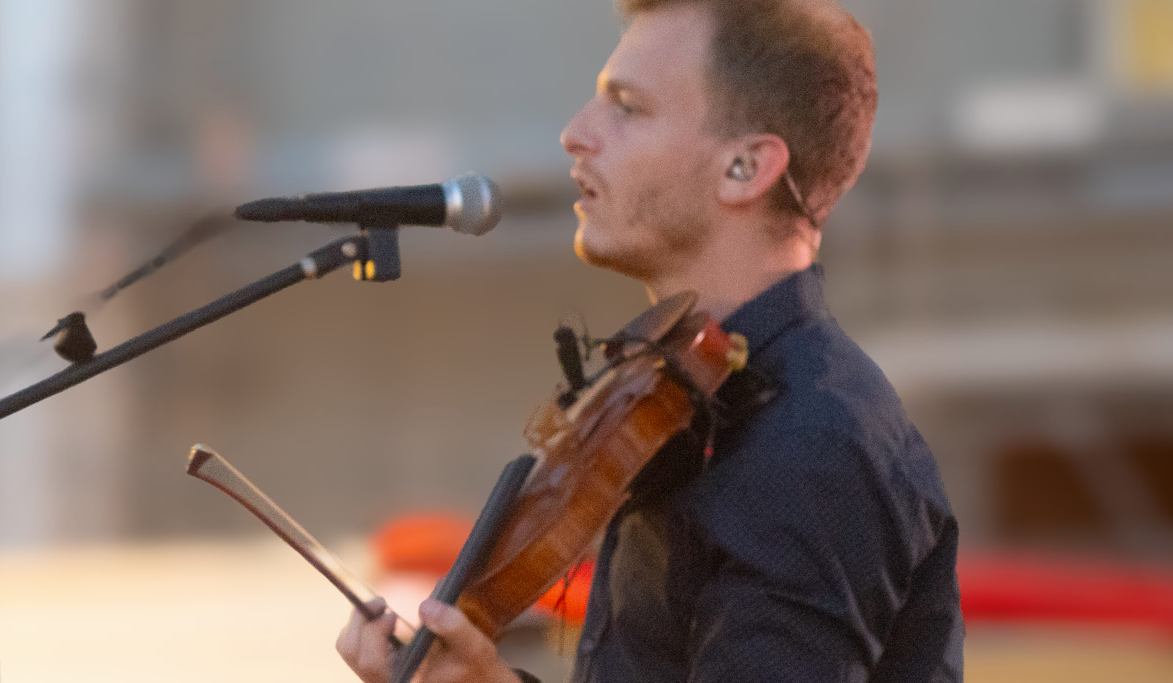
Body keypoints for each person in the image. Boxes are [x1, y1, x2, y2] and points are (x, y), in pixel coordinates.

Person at [336, 0, 962, 681]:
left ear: (745, 168)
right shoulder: (675, 400)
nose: (575, 133)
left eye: (627, 108)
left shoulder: (814, 445)